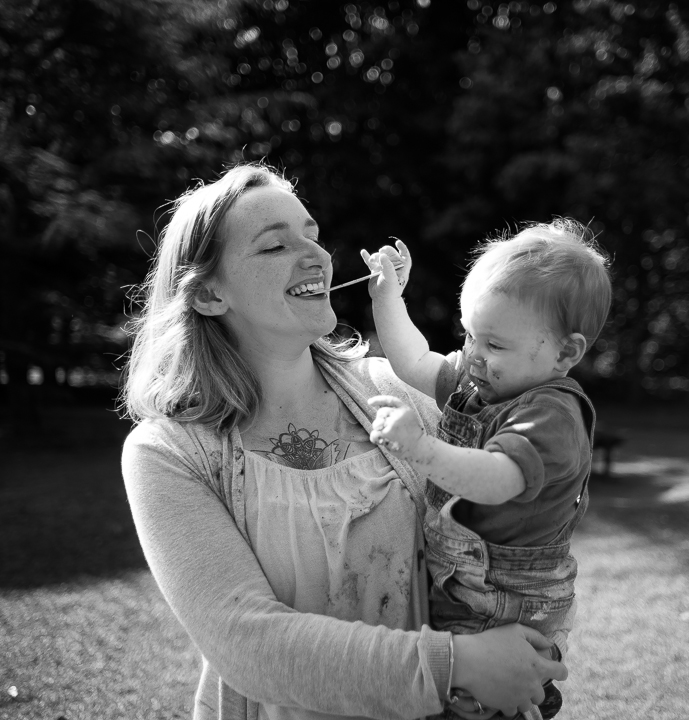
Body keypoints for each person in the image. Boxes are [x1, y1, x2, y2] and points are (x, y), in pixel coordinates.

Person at [119, 163, 567, 720]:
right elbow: (246, 642)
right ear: (210, 294)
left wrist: (520, 641)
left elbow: (499, 525)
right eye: (274, 246)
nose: (316, 255)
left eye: (312, 233)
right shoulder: (169, 453)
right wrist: (458, 664)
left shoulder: (394, 390)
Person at [361, 220, 612, 720]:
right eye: (469, 335)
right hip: (463, 587)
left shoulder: (551, 414)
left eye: (494, 345)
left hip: (504, 603)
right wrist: (389, 296)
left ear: (566, 352)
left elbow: (496, 480)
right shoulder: (482, 385)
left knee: (479, 705)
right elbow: (414, 359)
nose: (473, 355)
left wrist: (421, 447)